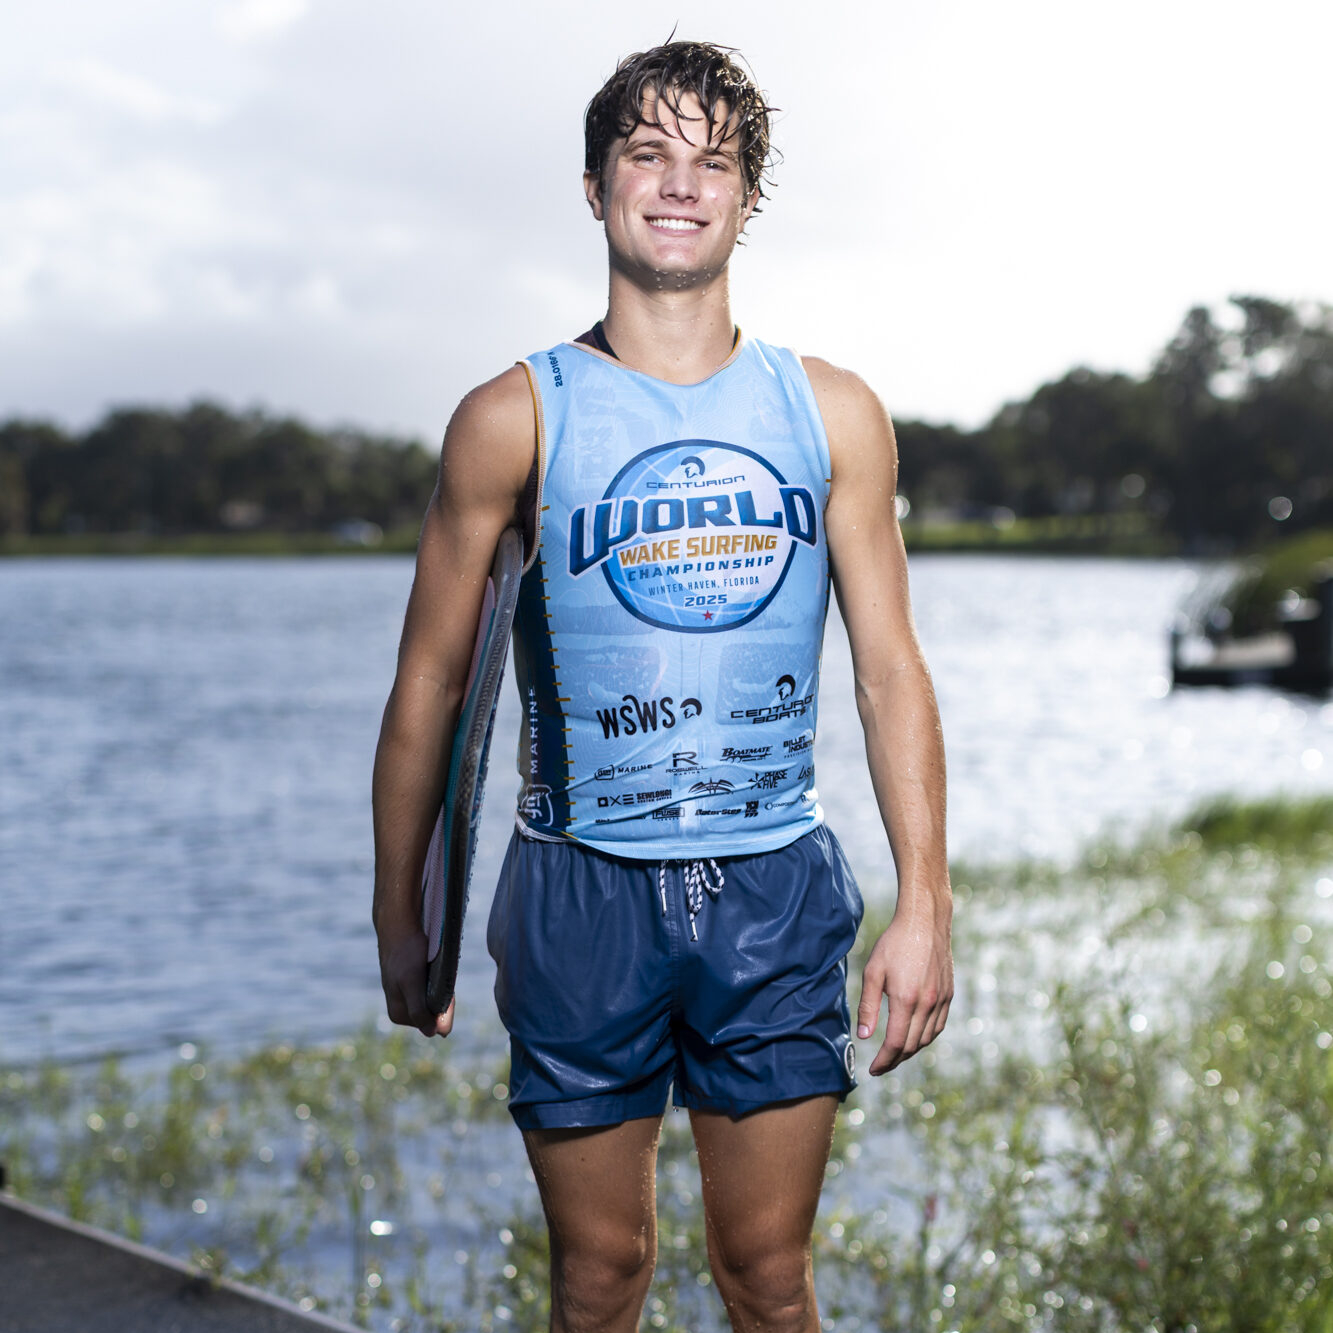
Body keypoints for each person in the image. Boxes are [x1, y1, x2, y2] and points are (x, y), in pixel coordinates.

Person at [372, 39, 952, 1333]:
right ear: (595, 187)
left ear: (746, 198)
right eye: (647, 152)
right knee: (599, 1277)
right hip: (577, 886)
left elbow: (890, 670)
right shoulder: (511, 415)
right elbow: (429, 685)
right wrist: (399, 904)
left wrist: (924, 902)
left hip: (771, 884)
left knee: (767, 1276)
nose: (679, 183)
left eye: (713, 160)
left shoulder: (832, 411)